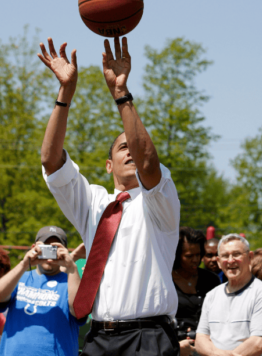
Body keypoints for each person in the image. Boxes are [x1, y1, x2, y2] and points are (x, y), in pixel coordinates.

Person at [39, 37, 180, 355]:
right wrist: (66, 92)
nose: (130, 150)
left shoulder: (159, 200)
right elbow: (51, 160)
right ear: (108, 164)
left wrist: (120, 93)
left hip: (149, 337)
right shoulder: (93, 202)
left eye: (134, 144)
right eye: (122, 147)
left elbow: (147, 161)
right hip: (99, 338)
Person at [0, 226, 85, 356]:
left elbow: (79, 311)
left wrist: (71, 266)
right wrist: (24, 264)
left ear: (64, 251)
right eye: (45, 247)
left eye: (55, 248)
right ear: (34, 247)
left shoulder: (71, 283)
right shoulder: (20, 277)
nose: (50, 253)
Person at [195, 234, 262, 356]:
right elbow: (201, 339)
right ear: (219, 262)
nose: (231, 260)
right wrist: (216, 354)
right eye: (225, 256)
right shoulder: (212, 295)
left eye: (237, 254)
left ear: (250, 257)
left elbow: (259, 343)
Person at [173, 227, 221, 356]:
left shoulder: (211, 279)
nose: (195, 260)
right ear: (177, 255)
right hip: (176, 346)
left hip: (208, 345)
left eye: (198, 255)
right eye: (189, 256)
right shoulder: (165, 280)